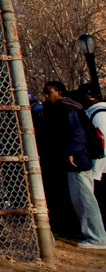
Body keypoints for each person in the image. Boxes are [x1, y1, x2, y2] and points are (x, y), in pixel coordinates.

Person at [31, 81, 106, 247]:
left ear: (59, 92)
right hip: (76, 162)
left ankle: (97, 237)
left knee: (85, 198)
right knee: (80, 198)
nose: (46, 96)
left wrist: (71, 152)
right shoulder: (67, 108)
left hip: (78, 162)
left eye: (49, 92)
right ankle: (93, 235)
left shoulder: (67, 109)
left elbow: (78, 135)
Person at [84, 86, 106, 219]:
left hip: (103, 169)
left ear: (92, 96)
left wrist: (97, 171)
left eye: (82, 96)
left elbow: (103, 143)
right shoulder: (94, 113)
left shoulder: (100, 115)